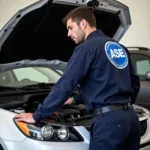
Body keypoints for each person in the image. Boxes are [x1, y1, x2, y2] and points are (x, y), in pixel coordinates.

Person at [14, 6, 141, 150]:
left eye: (70, 28)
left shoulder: (86, 48)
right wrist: (75, 99)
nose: (68, 34)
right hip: (131, 120)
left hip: (108, 125)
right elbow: (133, 83)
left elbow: (65, 85)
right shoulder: (119, 47)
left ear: (83, 23)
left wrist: (37, 115)